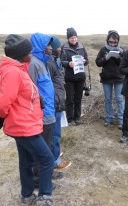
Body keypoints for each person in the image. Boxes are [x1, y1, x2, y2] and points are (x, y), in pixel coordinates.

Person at [0, 34, 55, 205]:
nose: (32, 53)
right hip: (23, 125)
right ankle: (44, 197)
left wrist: (37, 99)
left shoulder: (19, 69)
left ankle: (27, 195)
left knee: (26, 161)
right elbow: (5, 101)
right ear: (19, 54)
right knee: (47, 159)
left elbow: (22, 93)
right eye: (29, 51)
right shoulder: (13, 72)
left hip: (25, 123)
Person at [28, 33, 70, 189]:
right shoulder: (33, 64)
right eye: (49, 45)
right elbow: (30, 90)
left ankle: (48, 173)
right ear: (41, 46)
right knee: (43, 149)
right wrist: (40, 109)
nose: (51, 48)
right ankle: (39, 181)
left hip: (50, 112)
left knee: (49, 146)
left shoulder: (43, 62)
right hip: (43, 113)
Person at [47, 35, 72, 171]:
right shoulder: (49, 63)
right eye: (57, 47)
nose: (60, 48)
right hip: (54, 103)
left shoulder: (55, 60)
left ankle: (55, 153)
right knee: (54, 134)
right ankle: (55, 161)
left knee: (55, 133)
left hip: (57, 101)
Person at [95, 30, 125, 129]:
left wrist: (119, 58)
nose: (112, 44)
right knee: (108, 99)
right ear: (107, 40)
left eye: (114, 42)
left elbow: (124, 64)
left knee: (119, 99)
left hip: (119, 78)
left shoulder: (121, 50)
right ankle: (109, 119)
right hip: (106, 78)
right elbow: (98, 63)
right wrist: (105, 58)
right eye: (110, 42)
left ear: (118, 41)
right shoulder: (103, 50)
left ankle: (121, 120)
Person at [61, 27, 89, 125]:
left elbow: (87, 60)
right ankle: (70, 119)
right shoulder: (64, 48)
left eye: (75, 37)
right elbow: (61, 62)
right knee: (69, 98)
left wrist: (85, 61)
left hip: (80, 77)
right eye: (72, 38)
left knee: (78, 98)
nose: (74, 39)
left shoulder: (81, 47)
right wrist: (68, 63)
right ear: (68, 38)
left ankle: (77, 118)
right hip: (69, 78)